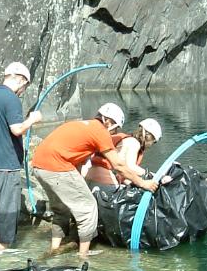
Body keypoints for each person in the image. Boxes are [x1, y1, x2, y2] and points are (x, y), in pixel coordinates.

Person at [31, 103, 159, 257]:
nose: (115, 132)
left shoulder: (81, 125)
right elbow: (118, 165)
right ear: (108, 122)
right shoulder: (100, 131)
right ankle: (83, 255)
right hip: (57, 166)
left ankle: (54, 249)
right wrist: (143, 183)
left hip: (38, 165)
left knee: (61, 209)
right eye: (116, 128)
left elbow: (77, 159)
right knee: (88, 208)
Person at [0, 61, 42, 250]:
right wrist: (33, 119)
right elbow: (17, 129)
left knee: (0, 205)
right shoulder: (12, 99)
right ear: (20, 80)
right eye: (25, 86)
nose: (23, 90)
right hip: (6, 162)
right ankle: (3, 249)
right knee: (9, 207)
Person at [84, 118, 165, 190]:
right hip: (103, 180)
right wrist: (154, 176)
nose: (151, 146)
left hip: (91, 176)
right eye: (153, 142)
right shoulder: (134, 143)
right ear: (149, 138)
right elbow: (131, 167)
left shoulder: (126, 139)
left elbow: (123, 174)